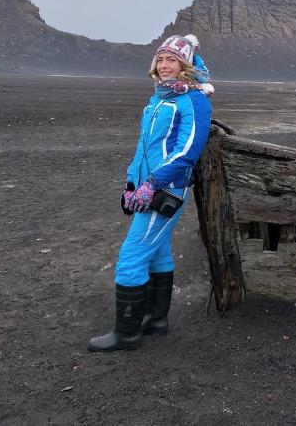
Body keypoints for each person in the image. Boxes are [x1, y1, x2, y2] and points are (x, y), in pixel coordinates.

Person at [88, 34, 213, 352]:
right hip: (147, 188)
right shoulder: (157, 101)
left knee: (131, 257)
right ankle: (156, 319)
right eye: (161, 59)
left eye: (172, 59)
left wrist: (152, 183)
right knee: (158, 253)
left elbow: (187, 151)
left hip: (167, 190)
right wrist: (131, 184)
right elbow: (144, 149)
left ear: (184, 65)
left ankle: (126, 333)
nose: (165, 65)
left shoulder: (194, 100)